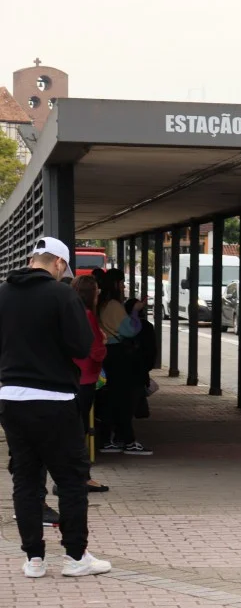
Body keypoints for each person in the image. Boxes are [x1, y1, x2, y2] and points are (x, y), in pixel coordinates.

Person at [0, 237, 112, 577]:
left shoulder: (2, 293)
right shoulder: (62, 294)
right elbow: (80, 344)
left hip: (11, 398)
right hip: (55, 400)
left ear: (33, 258)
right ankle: (76, 557)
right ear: (60, 264)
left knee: (25, 477)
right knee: (71, 479)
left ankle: (34, 558)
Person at [97, 269, 152, 455]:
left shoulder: (101, 303)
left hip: (107, 354)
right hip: (118, 355)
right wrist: (136, 312)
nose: (124, 286)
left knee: (111, 399)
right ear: (115, 284)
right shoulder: (114, 305)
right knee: (124, 399)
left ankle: (111, 439)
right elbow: (130, 330)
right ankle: (127, 440)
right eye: (121, 283)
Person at [67, 275, 109, 493]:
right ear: (91, 294)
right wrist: (104, 344)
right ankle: (80, 477)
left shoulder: (69, 314)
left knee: (72, 428)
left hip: (70, 376)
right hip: (85, 377)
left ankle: (71, 476)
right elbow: (94, 350)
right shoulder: (89, 316)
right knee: (80, 428)